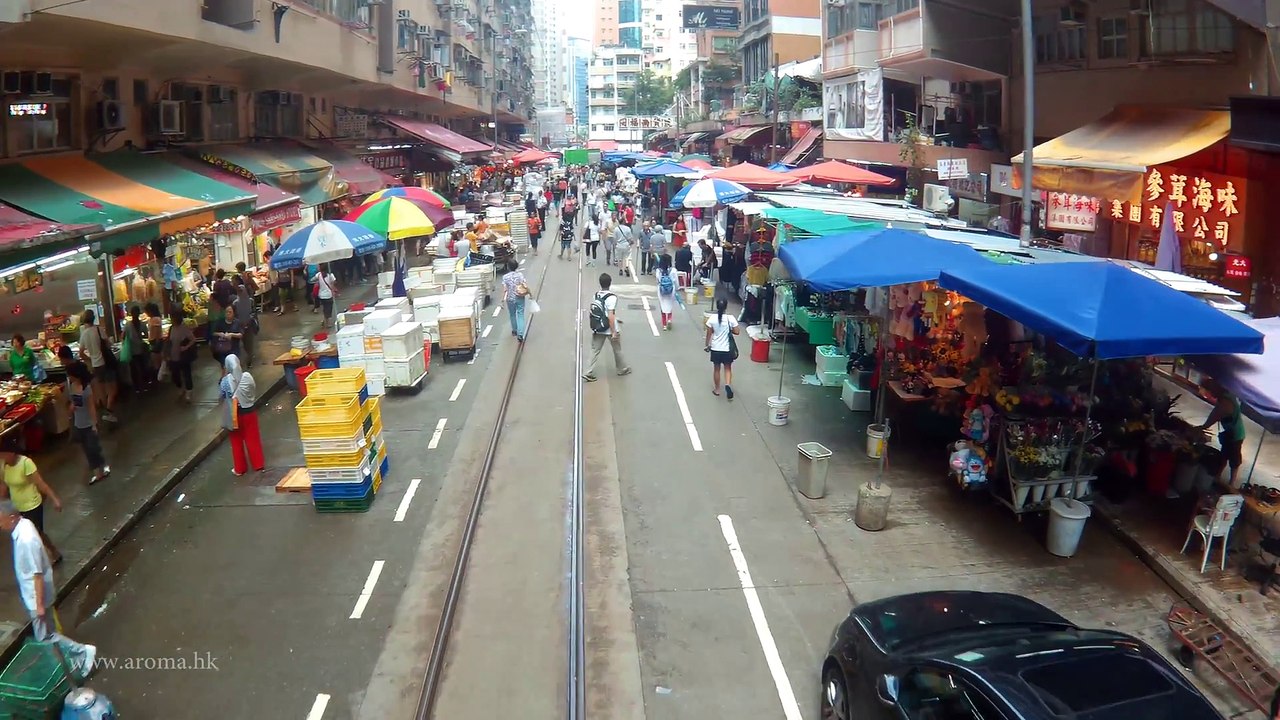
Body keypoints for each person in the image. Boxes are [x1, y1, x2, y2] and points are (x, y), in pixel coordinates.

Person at [0, 501, 95, 676]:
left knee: (44, 636)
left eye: (1, 520)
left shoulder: (26, 540)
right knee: (49, 631)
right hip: (37, 594)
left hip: (37, 597)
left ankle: (82, 651)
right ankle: (66, 661)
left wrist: (39, 605)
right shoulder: (24, 526)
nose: (0, 525)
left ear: (12, 518)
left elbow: (36, 574)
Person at [0, 439, 62, 563]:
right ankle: (43, 556)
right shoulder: (3, 466)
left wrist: (54, 499)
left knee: (36, 532)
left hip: (32, 505)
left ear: (11, 453)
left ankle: (50, 554)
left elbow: (40, 484)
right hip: (17, 507)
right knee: (27, 534)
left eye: (3, 454)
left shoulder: (26, 463)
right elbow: (3, 485)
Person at [1198, 379, 1247, 490]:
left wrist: (1203, 427)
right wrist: (1204, 426)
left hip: (1236, 434)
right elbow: (1215, 412)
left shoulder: (1226, 401)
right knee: (1224, 455)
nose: (1207, 395)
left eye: (1207, 392)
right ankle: (1218, 477)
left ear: (1213, 390)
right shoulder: (1223, 398)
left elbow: (1216, 415)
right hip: (1229, 432)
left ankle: (1231, 484)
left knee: (1234, 460)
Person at [583, 273, 631, 382]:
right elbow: (610, 314)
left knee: (594, 350)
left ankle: (588, 371)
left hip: (598, 327)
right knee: (617, 349)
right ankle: (621, 369)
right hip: (609, 328)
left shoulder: (595, 295)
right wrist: (614, 331)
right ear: (610, 283)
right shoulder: (612, 297)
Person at [221, 355, 264, 476]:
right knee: (253, 438)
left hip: (234, 415)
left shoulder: (225, 381)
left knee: (236, 442)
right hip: (249, 412)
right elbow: (253, 389)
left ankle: (240, 469)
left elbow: (223, 396)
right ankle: (258, 464)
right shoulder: (247, 377)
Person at [67, 363, 109, 485]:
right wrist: (71, 409)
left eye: (70, 375)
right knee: (87, 449)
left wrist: (94, 424)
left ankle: (102, 466)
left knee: (93, 448)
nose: (69, 377)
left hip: (88, 424)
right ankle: (98, 473)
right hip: (78, 423)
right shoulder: (71, 386)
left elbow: (91, 407)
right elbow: (71, 403)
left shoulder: (87, 389)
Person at [78, 310, 117, 423]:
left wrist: (90, 360)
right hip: (106, 363)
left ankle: (106, 412)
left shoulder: (84, 334)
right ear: (93, 318)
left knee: (102, 391)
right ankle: (109, 412)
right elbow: (109, 345)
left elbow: (81, 353)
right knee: (113, 389)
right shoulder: (99, 330)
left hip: (96, 366)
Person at [705, 297, 740, 399]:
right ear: (726, 307)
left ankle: (717, 389)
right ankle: (728, 385)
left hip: (716, 348)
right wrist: (729, 330)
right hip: (727, 349)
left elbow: (709, 333)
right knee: (728, 368)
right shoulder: (730, 318)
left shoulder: (712, 318)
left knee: (716, 368)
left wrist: (707, 344)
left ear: (717, 306)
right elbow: (737, 331)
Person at [168, 308, 197, 402]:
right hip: (173, 355)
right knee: (175, 375)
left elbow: (193, 339)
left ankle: (189, 391)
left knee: (186, 374)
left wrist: (186, 347)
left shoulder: (184, 328)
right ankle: (180, 388)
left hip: (183, 356)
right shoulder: (171, 328)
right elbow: (169, 341)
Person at [501, 259, 530, 341]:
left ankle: (514, 330)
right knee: (520, 314)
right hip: (520, 296)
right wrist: (530, 294)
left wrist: (502, 301)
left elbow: (505, 290)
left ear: (508, 267)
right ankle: (520, 333)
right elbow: (525, 285)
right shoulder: (520, 275)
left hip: (510, 298)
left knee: (512, 314)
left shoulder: (505, 277)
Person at [233, 276, 257, 366]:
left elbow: (254, 312)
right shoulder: (235, 303)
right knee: (245, 343)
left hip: (249, 324)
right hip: (241, 326)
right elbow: (234, 315)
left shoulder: (250, 301)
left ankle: (249, 359)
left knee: (249, 343)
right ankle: (249, 356)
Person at [656, 253, 679, 331]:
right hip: (671, 289)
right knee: (669, 305)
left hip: (661, 289)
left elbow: (658, 280)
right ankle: (669, 319)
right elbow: (676, 281)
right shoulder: (673, 270)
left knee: (662, 306)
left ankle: (664, 325)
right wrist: (677, 288)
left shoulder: (658, 270)